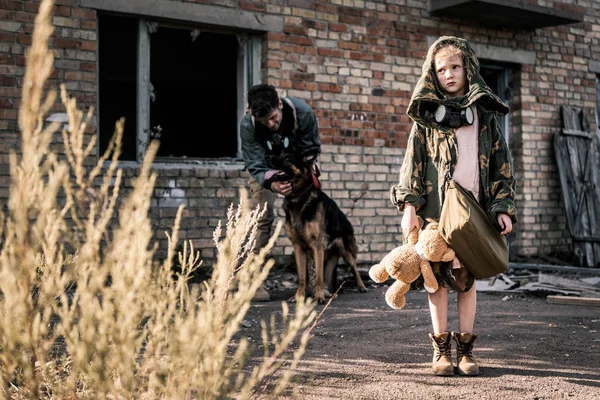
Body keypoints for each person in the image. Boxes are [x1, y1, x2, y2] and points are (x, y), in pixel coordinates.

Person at [390, 36, 517, 376]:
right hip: (435, 211)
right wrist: (409, 207)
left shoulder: (484, 117)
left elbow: (500, 164)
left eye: (455, 67)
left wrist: (501, 206)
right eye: (441, 69)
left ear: (468, 69)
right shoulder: (427, 117)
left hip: (473, 212)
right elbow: (411, 163)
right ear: (432, 73)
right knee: (436, 280)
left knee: (465, 279)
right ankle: (441, 351)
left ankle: (467, 352)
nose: (448, 74)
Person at [240, 83, 321, 301]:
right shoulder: (248, 125)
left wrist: (298, 180)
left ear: (279, 104)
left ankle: (315, 283)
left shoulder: (302, 113)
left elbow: (311, 150)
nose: (271, 124)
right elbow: (255, 164)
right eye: (265, 121)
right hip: (266, 170)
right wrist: (273, 183)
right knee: (261, 218)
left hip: (297, 167)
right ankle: (255, 283)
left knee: (310, 218)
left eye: (274, 118)